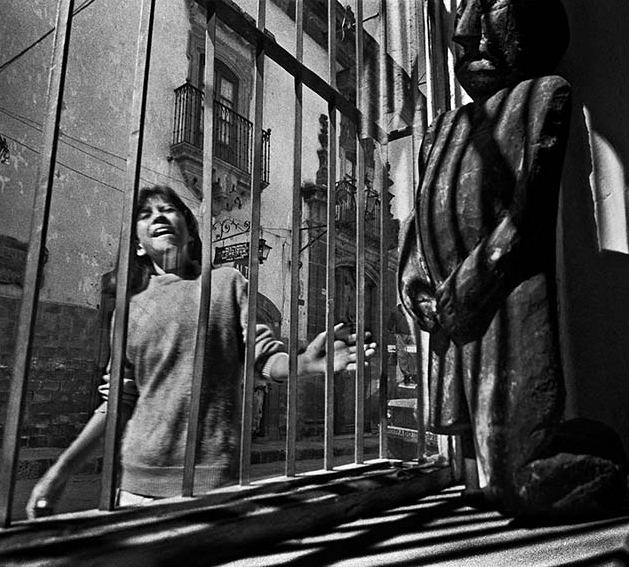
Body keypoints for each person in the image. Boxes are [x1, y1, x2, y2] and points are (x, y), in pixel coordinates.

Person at [398, 0, 629, 517]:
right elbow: (417, 225)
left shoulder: (542, 96)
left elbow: (527, 218)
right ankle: (493, 469)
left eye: (491, 9)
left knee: (522, 484)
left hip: (505, 308)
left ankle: (606, 457)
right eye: (460, 17)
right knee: (488, 475)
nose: (463, 34)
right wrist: (414, 285)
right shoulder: (440, 131)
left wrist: (465, 288)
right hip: (455, 323)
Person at [27, 185, 376, 516]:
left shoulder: (226, 284)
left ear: (190, 234)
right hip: (136, 484)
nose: (158, 217)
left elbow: (264, 357)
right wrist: (60, 470)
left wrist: (302, 363)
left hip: (212, 483)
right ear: (137, 244)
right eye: (146, 214)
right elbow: (116, 400)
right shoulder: (128, 310)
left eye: (168, 210)